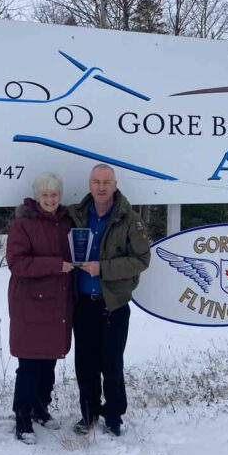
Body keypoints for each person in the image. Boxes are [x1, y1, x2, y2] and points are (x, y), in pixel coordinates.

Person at [69, 163, 151, 437]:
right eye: (96, 182)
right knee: (85, 363)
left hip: (112, 305)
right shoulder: (77, 215)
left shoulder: (129, 219)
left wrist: (103, 268)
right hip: (82, 304)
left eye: (106, 182)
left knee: (111, 363)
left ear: (115, 185)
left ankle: (114, 415)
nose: (101, 187)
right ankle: (89, 414)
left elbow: (141, 260)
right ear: (89, 185)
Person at [6, 172, 74, 444]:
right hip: (30, 304)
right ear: (37, 197)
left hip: (58, 303)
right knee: (29, 363)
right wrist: (55, 264)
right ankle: (22, 418)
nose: (50, 199)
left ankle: (40, 407)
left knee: (49, 362)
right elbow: (17, 263)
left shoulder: (67, 223)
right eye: (45, 195)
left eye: (54, 194)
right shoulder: (22, 224)